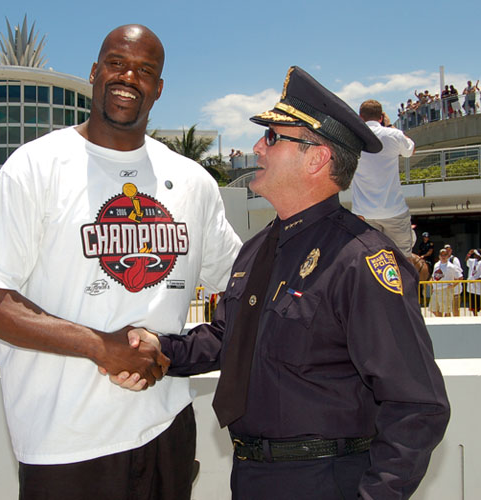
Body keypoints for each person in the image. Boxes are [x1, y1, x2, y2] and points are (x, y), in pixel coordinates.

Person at [118, 66, 450, 499]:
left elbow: (418, 405)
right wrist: (160, 347)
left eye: (273, 137)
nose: (257, 146)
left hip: (326, 480)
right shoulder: (256, 250)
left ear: (317, 158)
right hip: (252, 476)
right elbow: (227, 338)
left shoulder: (361, 260)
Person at [0, 24, 241, 500]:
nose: (129, 76)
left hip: (165, 427)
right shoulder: (37, 166)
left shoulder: (192, 182)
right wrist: (98, 346)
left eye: (145, 69)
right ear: (94, 72)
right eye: (116, 63)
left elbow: (240, 282)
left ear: (159, 88)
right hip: (64, 444)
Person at [350, 99, 415, 256]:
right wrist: (390, 125)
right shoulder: (393, 134)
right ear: (381, 117)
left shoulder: (352, 138)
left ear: (360, 117)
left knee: (370, 260)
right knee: (404, 259)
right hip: (394, 210)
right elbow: (410, 150)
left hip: (363, 213)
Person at [429, 248, 462, 317]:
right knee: (434, 309)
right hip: (436, 290)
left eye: (445, 255)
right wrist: (431, 283)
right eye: (442, 255)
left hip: (445, 290)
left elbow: (460, 277)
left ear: (447, 256)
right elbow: (434, 276)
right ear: (439, 256)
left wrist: (453, 285)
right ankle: (440, 321)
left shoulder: (451, 266)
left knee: (446, 311)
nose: (443, 256)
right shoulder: (436, 265)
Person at [443, 244, 463, 316]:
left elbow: (460, 276)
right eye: (446, 250)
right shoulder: (443, 261)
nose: (447, 252)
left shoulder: (454, 260)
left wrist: (453, 285)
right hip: (445, 290)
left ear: (451, 250)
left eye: (448, 250)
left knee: (455, 309)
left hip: (455, 290)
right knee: (446, 310)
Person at [465, 249, 481, 315]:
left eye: (476, 254)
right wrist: (469, 254)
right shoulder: (473, 261)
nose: (475, 255)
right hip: (472, 288)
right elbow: (467, 260)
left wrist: (474, 280)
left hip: (479, 287)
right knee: (473, 306)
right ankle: (475, 317)